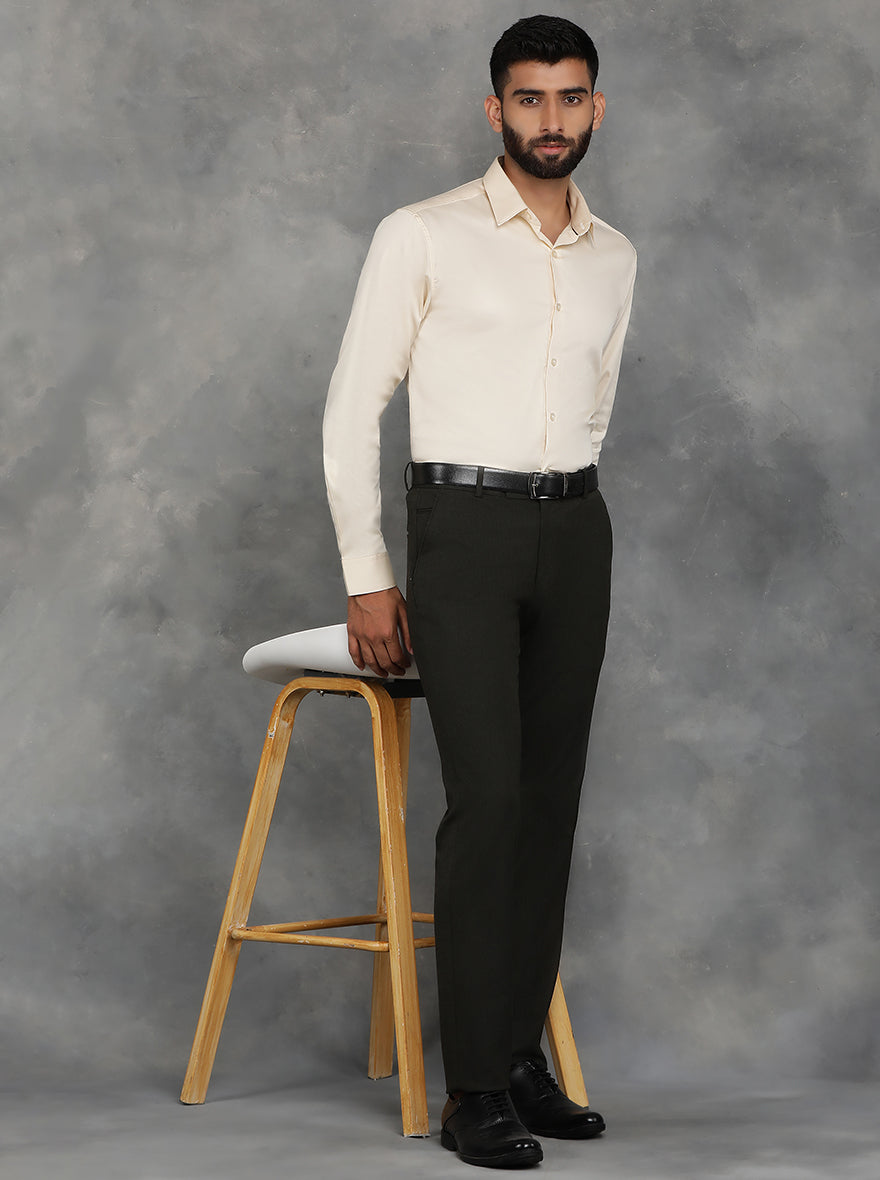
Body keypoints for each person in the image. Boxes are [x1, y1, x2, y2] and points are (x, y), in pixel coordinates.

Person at [323, 14, 636, 1170]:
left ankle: (516, 1055)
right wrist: (369, 575)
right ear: (493, 109)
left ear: (596, 108)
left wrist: (570, 500)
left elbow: (595, 400)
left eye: (570, 97)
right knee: (489, 802)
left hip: (577, 530)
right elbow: (352, 406)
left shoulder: (615, 256)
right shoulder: (422, 234)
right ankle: (470, 1090)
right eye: (529, 98)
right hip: (461, 531)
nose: (551, 120)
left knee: (549, 806)